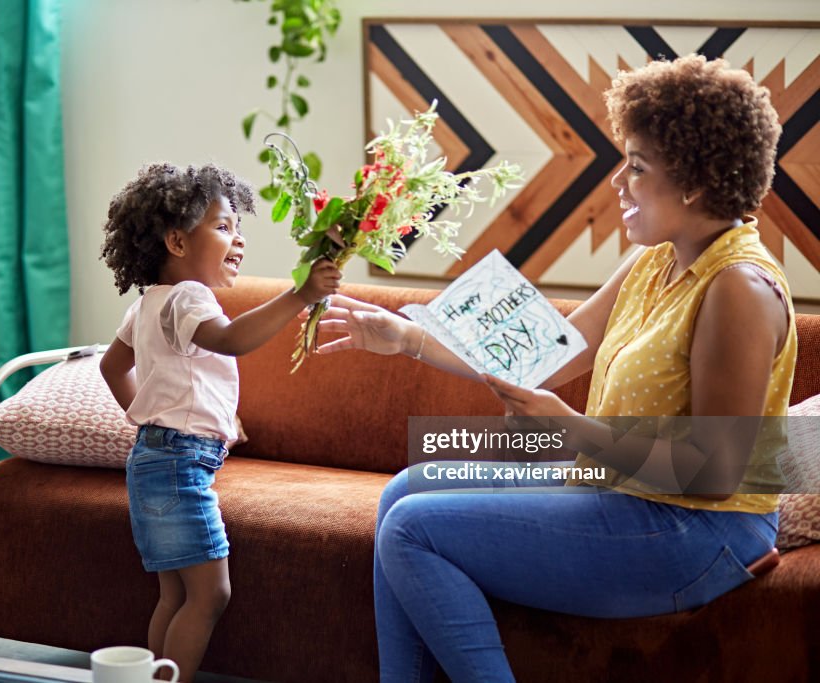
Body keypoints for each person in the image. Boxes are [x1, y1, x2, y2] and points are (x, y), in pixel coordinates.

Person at [314, 54, 796, 681]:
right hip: (626, 495)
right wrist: (406, 338)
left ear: (695, 184)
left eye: (638, 167)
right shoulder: (659, 259)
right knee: (405, 490)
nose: (619, 181)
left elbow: (714, 472)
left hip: (700, 530)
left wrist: (571, 433)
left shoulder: (738, 288)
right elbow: (553, 349)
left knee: (412, 528)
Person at [98, 162, 340, 681]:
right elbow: (229, 341)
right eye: (224, 226)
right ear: (177, 243)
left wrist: (152, 421)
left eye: (238, 227)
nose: (239, 239)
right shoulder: (190, 297)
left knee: (174, 594)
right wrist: (300, 295)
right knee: (211, 594)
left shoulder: (147, 305)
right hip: (180, 466)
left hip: (153, 459)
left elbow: (112, 366)